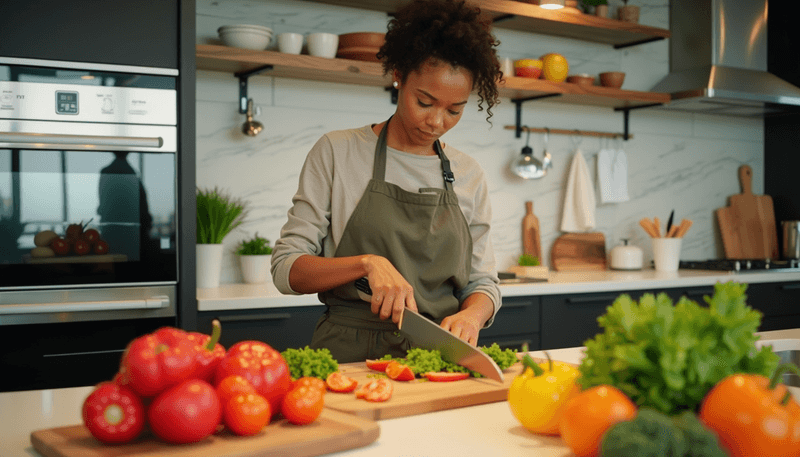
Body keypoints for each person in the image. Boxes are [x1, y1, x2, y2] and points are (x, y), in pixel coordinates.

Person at [271, 0, 503, 363]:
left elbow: (483, 283)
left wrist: (472, 315)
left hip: (437, 354)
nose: (436, 122)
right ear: (398, 76)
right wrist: (366, 263)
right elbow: (287, 270)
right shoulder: (338, 151)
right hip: (349, 353)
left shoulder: (468, 173)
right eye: (424, 101)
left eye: (454, 110)